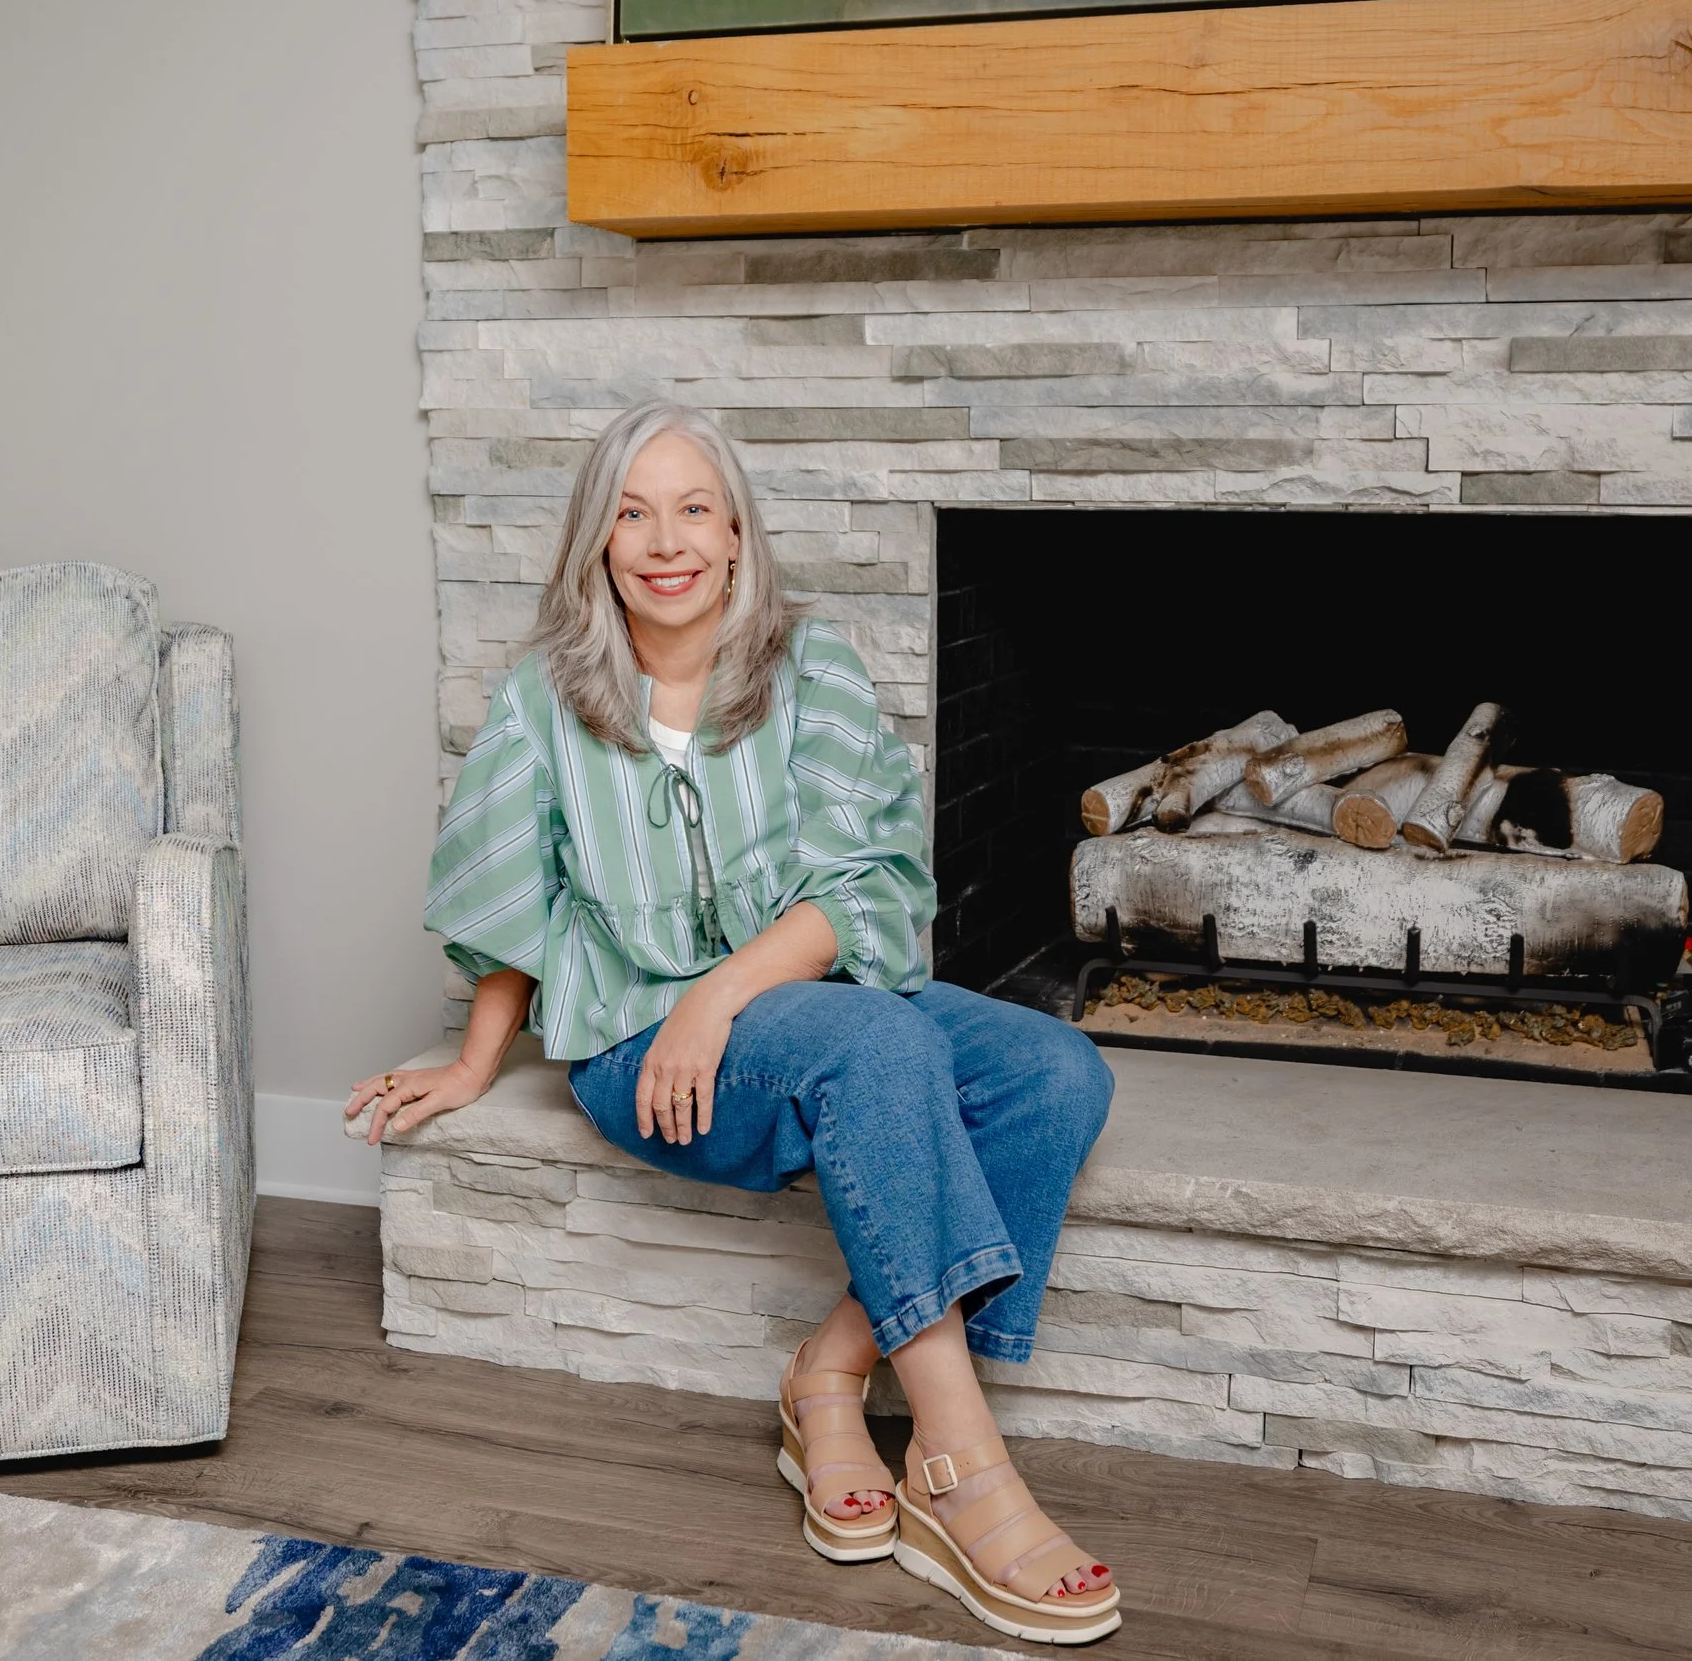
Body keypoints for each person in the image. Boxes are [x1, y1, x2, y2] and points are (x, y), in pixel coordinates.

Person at [345, 400, 1120, 1645]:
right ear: (597, 541)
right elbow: (512, 905)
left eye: (694, 508)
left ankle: (829, 1373)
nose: (666, 540)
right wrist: (476, 1058)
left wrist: (718, 994)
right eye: (632, 511)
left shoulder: (812, 671)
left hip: (769, 1004)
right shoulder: (541, 701)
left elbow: (869, 881)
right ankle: (957, 1465)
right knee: (878, 1044)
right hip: (638, 1050)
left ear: (737, 533)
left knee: (1054, 1069)